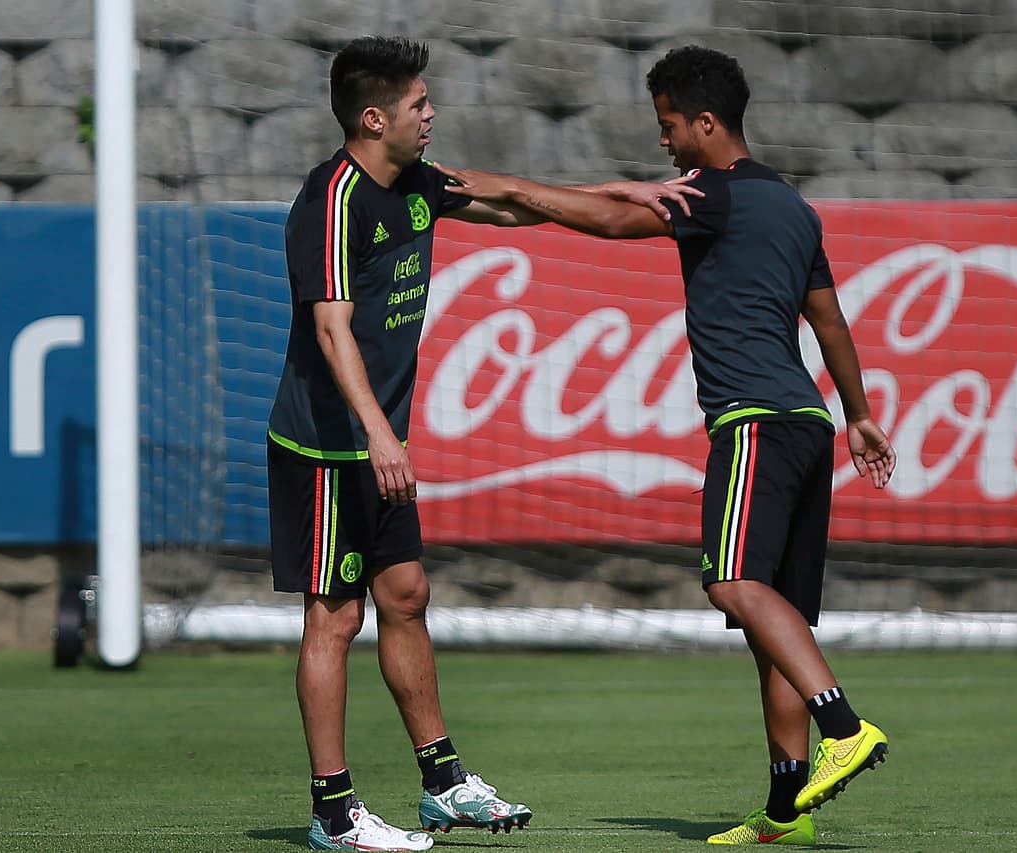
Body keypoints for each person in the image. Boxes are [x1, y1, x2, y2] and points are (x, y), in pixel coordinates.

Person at [435, 44, 896, 847]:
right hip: (809, 425)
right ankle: (785, 814)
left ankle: (845, 726)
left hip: (752, 422)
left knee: (730, 584)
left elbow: (609, 218)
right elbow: (829, 320)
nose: (663, 144)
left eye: (669, 125)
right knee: (770, 623)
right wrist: (858, 415)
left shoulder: (708, 195)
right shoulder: (792, 205)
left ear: (706, 124)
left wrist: (505, 186)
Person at [266, 35, 696, 852]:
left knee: (406, 597)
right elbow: (330, 326)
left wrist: (625, 197)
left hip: (376, 443)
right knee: (334, 615)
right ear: (372, 117)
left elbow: (509, 198)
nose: (432, 114)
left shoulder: (420, 185)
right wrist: (379, 430)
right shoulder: (332, 199)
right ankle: (333, 811)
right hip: (327, 446)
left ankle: (443, 782)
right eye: (418, 104)